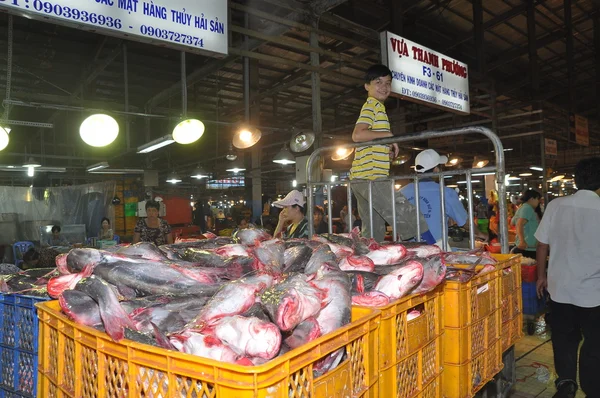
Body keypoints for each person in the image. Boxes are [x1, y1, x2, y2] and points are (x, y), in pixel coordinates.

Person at [535, 157, 600, 398]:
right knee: (594, 342)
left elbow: (541, 245)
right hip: (595, 293)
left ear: (575, 180)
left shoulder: (555, 206)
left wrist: (541, 276)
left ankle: (566, 384)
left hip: (560, 289)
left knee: (563, 338)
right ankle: (592, 388)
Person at [350, 64, 432, 243]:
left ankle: (370, 262)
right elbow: (358, 135)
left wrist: (382, 148)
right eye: (378, 82)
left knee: (373, 229)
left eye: (388, 83)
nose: (384, 87)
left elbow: (367, 138)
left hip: (360, 177)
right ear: (366, 86)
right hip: (371, 177)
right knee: (406, 213)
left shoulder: (377, 108)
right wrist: (388, 136)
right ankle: (437, 248)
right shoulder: (372, 106)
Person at [401, 149, 485, 246]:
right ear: (436, 169)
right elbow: (465, 223)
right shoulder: (445, 192)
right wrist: (480, 234)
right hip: (435, 251)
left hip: (406, 251)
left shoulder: (401, 192)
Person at [511, 189, 541, 259]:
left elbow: (512, 222)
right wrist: (522, 241)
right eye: (537, 199)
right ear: (532, 199)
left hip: (525, 246)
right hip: (527, 247)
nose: (538, 201)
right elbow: (519, 224)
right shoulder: (527, 208)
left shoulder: (521, 208)